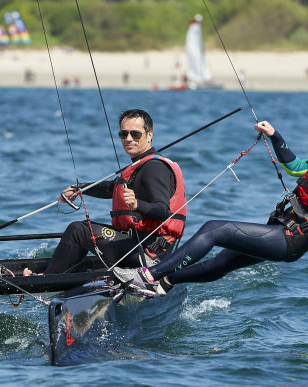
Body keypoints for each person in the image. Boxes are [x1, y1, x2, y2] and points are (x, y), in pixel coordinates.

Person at [114, 112, 308, 296]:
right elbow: (295, 166)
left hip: (291, 239)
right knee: (223, 262)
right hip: (285, 232)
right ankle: (164, 284)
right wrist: (274, 134)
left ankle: (148, 276)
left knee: (214, 230)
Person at [25, 109, 187, 275]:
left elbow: (163, 211)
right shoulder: (140, 166)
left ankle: (48, 281)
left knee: (78, 231)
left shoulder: (153, 168)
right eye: (123, 134)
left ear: (149, 134)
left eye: (135, 134)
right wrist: (80, 188)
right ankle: (65, 275)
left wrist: (137, 204)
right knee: (84, 233)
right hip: (136, 246)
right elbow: (111, 188)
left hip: (148, 254)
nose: (128, 139)